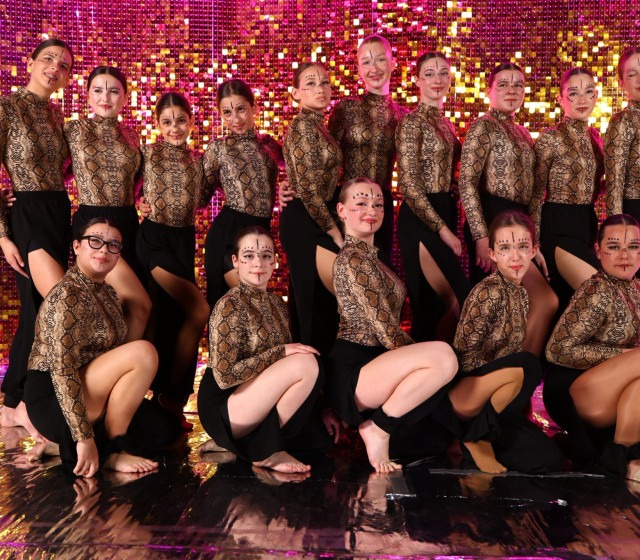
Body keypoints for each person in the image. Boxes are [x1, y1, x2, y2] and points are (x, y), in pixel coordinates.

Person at [325, 177, 458, 473]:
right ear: (341, 210)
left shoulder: (375, 257)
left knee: (442, 370)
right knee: (444, 357)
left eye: (378, 204)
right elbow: (386, 331)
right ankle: (377, 428)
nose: (371, 210)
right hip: (354, 367)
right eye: (361, 203)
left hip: (377, 362)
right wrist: (429, 355)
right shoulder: (352, 260)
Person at [23, 218, 162, 477]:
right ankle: (111, 450)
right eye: (95, 241)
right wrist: (84, 439)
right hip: (54, 396)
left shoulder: (107, 292)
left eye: (113, 245)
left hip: (86, 384)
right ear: (77, 246)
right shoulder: (68, 295)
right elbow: (62, 370)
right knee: (143, 352)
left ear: (118, 255)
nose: (104, 250)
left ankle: (61, 444)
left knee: (162, 427)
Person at [198, 226, 324, 473]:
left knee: (319, 438)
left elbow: (280, 373)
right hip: (224, 405)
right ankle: (264, 451)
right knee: (306, 362)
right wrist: (280, 352)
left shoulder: (276, 303)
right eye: (248, 256)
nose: (258, 263)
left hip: (254, 398)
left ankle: (235, 443)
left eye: (266, 255)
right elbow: (225, 377)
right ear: (236, 261)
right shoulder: (229, 305)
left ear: (274, 261)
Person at [449, 210, 562, 474]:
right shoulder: (488, 291)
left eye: (522, 247)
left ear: (534, 251)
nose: (515, 256)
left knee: (548, 459)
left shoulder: (521, 293)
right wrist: (504, 370)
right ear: (492, 254)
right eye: (505, 248)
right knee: (528, 363)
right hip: (466, 393)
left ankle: (477, 442)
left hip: (495, 400)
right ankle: (476, 437)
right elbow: (462, 357)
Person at [0, 38, 74, 438]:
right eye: (48, 59)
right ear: (30, 61)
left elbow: (69, 168)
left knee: (40, 309)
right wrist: (2, 235)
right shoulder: (7, 107)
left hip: (58, 211)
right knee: (48, 307)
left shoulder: (58, 115)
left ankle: (14, 404)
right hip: (27, 212)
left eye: (63, 65)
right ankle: (25, 402)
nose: (54, 68)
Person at [458, 61, 558, 356]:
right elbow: (467, 182)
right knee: (498, 306)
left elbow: (535, 192)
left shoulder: (524, 134)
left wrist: (533, 241)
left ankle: (520, 370)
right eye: (503, 84)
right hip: (492, 221)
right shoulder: (483, 126)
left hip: (519, 223)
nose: (511, 90)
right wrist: (480, 235)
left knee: (525, 304)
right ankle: (495, 370)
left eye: (518, 84)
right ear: (489, 91)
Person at [545, 214, 640, 479]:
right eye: (614, 246)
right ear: (598, 251)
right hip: (573, 391)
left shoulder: (636, 288)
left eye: (633, 246)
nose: (624, 255)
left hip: (611, 390)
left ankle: (628, 459)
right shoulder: (596, 290)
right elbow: (557, 350)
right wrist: (622, 356)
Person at [136, 92, 211, 429]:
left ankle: (172, 402)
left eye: (181, 120)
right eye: (166, 122)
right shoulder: (147, 153)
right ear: (157, 124)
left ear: (191, 121)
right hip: (153, 239)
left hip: (183, 241)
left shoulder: (199, 162)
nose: (174, 127)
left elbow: (204, 197)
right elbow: (125, 184)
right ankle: (162, 396)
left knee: (174, 318)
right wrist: (138, 202)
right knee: (197, 310)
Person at [64, 65, 151, 340]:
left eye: (114, 91)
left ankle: (127, 361)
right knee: (137, 304)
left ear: (124, 97)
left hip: (128, 224)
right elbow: (55, 173)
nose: (105, 97)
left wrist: (145, 201)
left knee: (122, 307)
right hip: (92, 222)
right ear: (87, 95)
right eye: (98, 90)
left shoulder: (132, 135)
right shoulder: (73, 129)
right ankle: (130, 361)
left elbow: (137, 183)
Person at [396, 51, 470, 342]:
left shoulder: (445, 123)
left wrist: (455, 189)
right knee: (436, 302)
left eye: (443, 73)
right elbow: (408, 184)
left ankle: (442, 362)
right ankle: (424, 363)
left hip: (444, 209)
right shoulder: (411, 122)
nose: (437, 79)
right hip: (420, 218)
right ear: (417, 81)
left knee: (443, 306)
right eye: (429, 74)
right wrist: (443, 231)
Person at [279, 62, 343, 355]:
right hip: (307, 219)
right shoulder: (303, 126)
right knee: (312, 305)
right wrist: (336, 234)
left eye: (325, 82)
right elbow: (306, 189)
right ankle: (313, 375)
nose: (320, 89)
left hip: (318, 215)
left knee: (319, 304)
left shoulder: (318, 125)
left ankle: (318, 374)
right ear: (296, 93)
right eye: (311, 84)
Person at [203, 79, 283, 308]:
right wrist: (146, 201)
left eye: (241, 109)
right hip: (228, 235)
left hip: (260, 233)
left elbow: (299, 172)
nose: (235, 119)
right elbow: (199, 198)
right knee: (234, 307)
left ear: (253, 107)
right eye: (227, 113)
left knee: (255, 309)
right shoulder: (218, 148)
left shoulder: (270, 145)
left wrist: (287, 187)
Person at [327, 34, 407, 257]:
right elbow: (325, 160)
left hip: (381, 206)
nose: (374, 68)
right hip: (346, 206)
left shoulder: (403, 117)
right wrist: (292, 185)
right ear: (359, 69)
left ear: (392, 63)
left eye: (380, 59)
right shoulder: (345, 109)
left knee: (379, 268)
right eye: (366, 62)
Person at [531, 67, 604, 311]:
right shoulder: (550, 137)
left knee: (572, 304)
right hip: (559, 224)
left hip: (587, 223)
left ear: (596, 96)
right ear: (561, 99)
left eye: (588, 91)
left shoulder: (595, 137)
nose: (582, 99)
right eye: (573, 93)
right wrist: (534, 243)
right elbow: (535, 193)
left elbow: (592, 184)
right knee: (600, 294)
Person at [604, 47, 640, 222]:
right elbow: (614, 183)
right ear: (621, 83)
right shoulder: (622, 120)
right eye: (632, 74)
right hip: (635, 214)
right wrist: (616, 226)